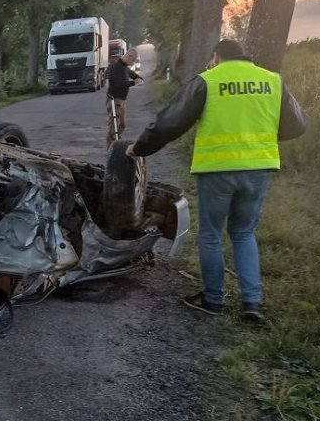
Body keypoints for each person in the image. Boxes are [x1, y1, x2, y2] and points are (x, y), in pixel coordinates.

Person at [126, 40, 309, 322]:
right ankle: (252, 303)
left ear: (217, 56)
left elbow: (171, 122)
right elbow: (297, 125)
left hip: (218, 169)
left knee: (211, 234)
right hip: (259, 168)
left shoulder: (208, 81)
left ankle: (213, 299)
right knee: (244, 233)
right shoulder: (272, 81)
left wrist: (140, 148)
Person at [106, 49, 143, 146]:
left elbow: (132, 74)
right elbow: (119, 84)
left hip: (122, 100)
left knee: (122, 125)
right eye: (133, 60)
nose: (133, 62)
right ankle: (112, 148)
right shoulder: (116, 67)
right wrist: (133, 83)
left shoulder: (125, 67)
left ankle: (116, 143)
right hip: (114, 99)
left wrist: (139, 78)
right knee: (114, 126)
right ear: (129, 56)